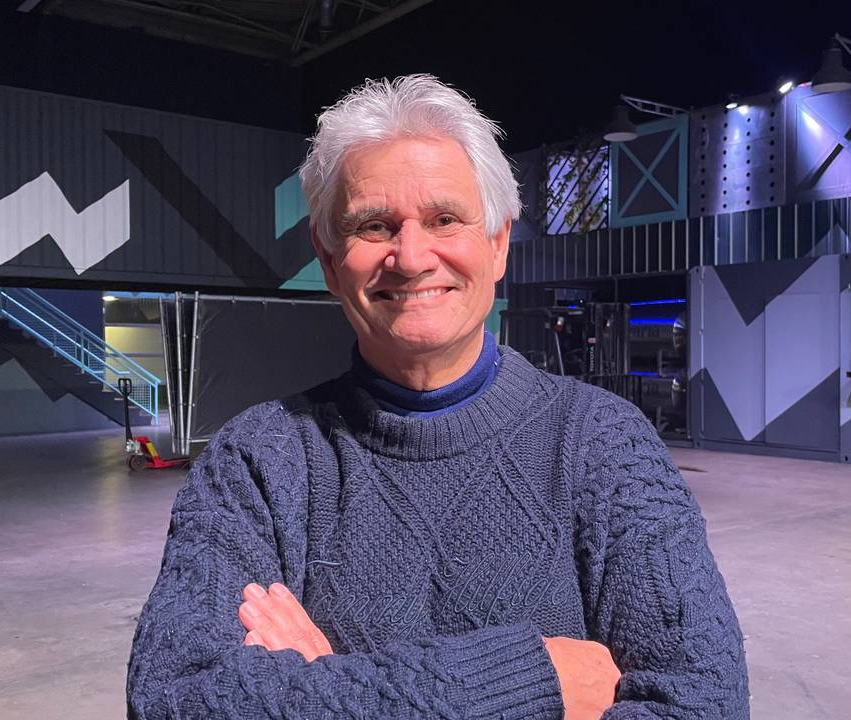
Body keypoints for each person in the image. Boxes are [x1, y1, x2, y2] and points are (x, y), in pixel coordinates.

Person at [126, 74, 749, 719]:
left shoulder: (603, 445)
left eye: (445, 219)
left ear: (499, 242)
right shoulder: (257, 464)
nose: (412, 256)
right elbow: (174, 701)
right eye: (374, 225)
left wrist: (331, 686)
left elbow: (702, 705)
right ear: (330, 259)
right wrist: (525, 685)